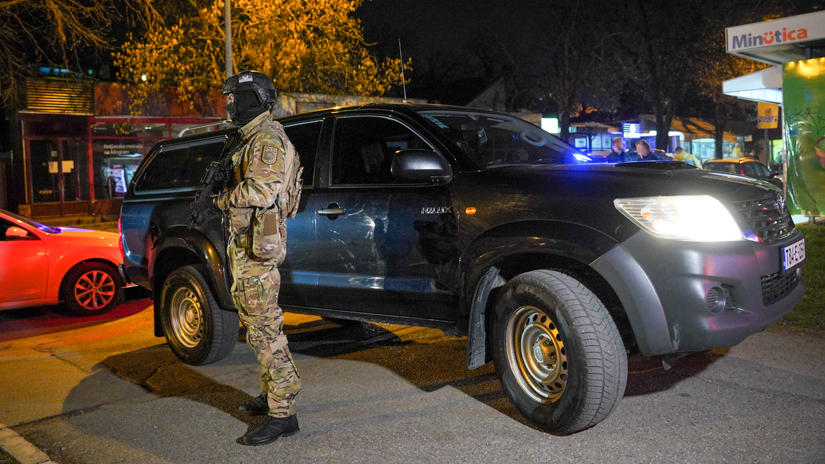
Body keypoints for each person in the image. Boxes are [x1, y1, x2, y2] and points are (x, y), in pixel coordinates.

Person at [215, 71, 302, 446]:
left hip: (257, 251)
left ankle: (283, 414)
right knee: (256, 326)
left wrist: (222, 198)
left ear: (251, 98)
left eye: (233, 98)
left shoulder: (266, 138)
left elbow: (261, 189)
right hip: (248, 246)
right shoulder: (250, 137)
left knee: (266, 330)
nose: (229, 105)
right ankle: (272, 397)